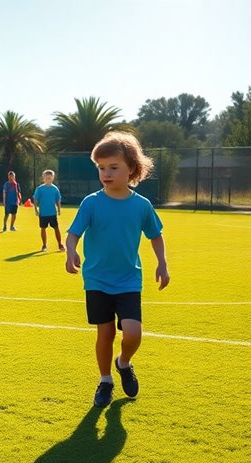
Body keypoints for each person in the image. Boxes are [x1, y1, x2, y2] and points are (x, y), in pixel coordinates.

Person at [65, 131, 169, 407]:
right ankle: (105, 380)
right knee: (106, 333)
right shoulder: (91, 202)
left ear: (132, 169)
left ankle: (123, 363)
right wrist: (71, 249)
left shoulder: (141, 205)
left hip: (128, 280)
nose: (106, 173)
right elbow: (74, 233)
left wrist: (162, 262)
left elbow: (155, 235)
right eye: (101, 168)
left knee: (133, 333)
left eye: (113, 167)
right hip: (97, 279)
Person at [33, 169, 64, 252]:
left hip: (52, 213)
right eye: (46, 178)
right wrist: (35, 209)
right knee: (43, 228)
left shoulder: (55, 189)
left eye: (50, 178)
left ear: (52, 178)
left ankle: (60, 244)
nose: (48, 180)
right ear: (43, 178)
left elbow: (58, 200)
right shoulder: (39, 189)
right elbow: (35, 200)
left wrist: (59, 209)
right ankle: (44, 245)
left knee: (56, 228)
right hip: (43, 213)